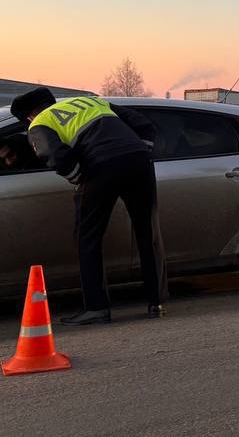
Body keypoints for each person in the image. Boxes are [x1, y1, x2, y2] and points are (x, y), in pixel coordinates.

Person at [10, 88, 167, 324]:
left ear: (29, 117)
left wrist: (79, 178)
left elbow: (53, 153)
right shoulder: (89, 102)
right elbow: (142, 123)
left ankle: (97, 308)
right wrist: (139, 151)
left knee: (88, 237)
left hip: (100, 165)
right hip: (138, 160)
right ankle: (156, 302)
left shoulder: (40, 122)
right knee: (147, 232)